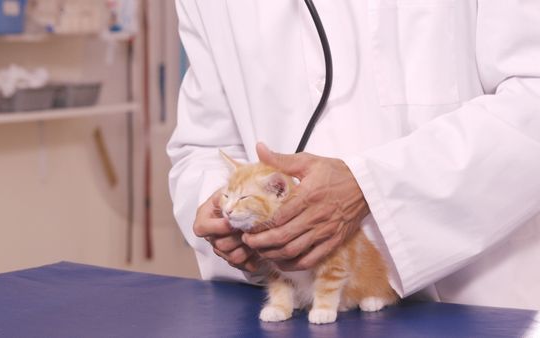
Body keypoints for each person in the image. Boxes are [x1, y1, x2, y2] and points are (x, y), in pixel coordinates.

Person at [167, 0, 540, 310]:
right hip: (302, 306)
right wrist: (222, 212)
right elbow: (203, 148)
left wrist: (371, 188)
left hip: (480, 304)